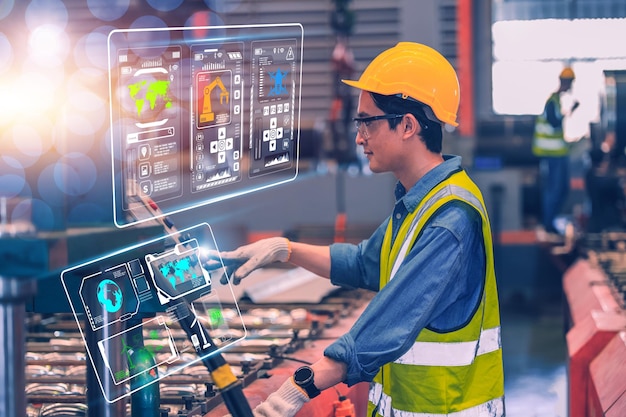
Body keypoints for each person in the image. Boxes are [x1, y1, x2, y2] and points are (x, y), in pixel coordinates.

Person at [210, 42, 504, 417]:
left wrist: (299, 388)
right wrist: (284, 249)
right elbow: (363, 262)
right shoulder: (419, 203)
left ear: (408, 126)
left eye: (367, 122)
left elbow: (388, 322)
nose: (358, 137)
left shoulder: (451, 218)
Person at [533, 66, 580, 234]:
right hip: (552, 155)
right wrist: (570, 111)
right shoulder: (552, 102)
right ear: (565, 82)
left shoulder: (557, 101)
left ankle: (551, 221)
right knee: (554, 190)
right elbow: (554, 123)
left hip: (559, 153)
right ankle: (548, 223)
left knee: (563, 189)